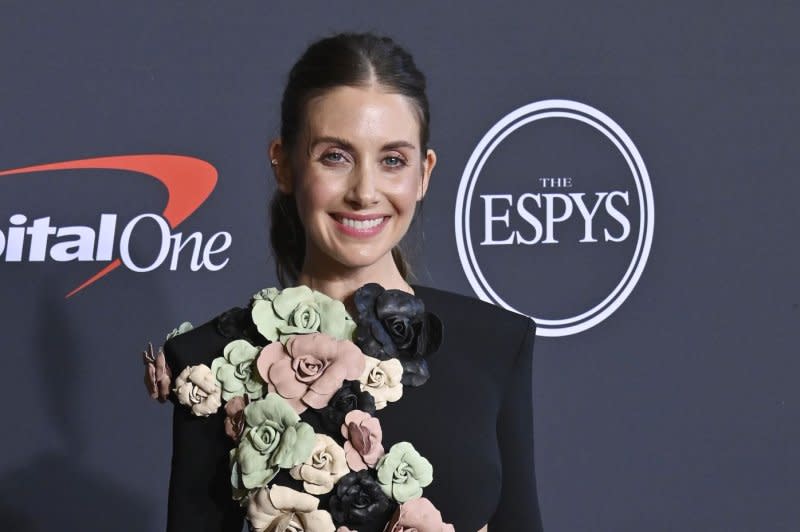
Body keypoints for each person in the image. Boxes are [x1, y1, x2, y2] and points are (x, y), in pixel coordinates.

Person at [145, 32, 543, 532]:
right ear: (284, 164)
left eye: (392, 160)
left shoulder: (495, 342)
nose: (365, 192)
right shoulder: (209, 364)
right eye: (336, 156)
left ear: (424, 173)